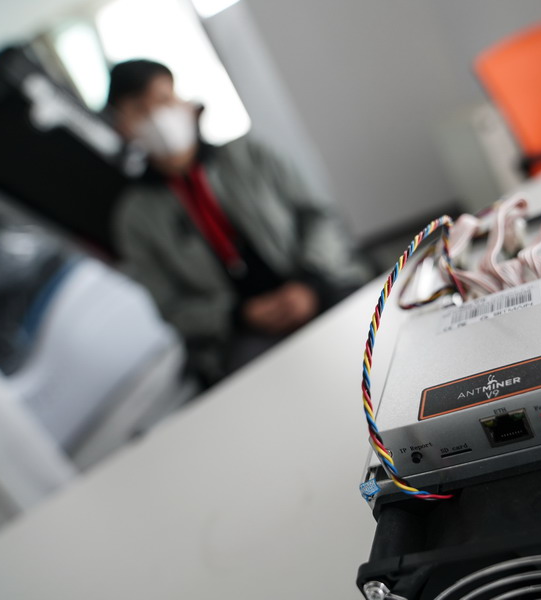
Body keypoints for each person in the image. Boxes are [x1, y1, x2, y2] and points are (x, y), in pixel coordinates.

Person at [107, 59, 368, 384]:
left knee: (369, 334)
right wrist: (238, 315)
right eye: (139, 109)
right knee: (261, 385)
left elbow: (320, 217)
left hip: (322, 285)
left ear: (185, 104)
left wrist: (310, 281)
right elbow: (170, 306)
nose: (157, 117)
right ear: (122, 126)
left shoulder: (251, 154)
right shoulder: (135, 217)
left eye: (163, 100)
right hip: (242, 332)